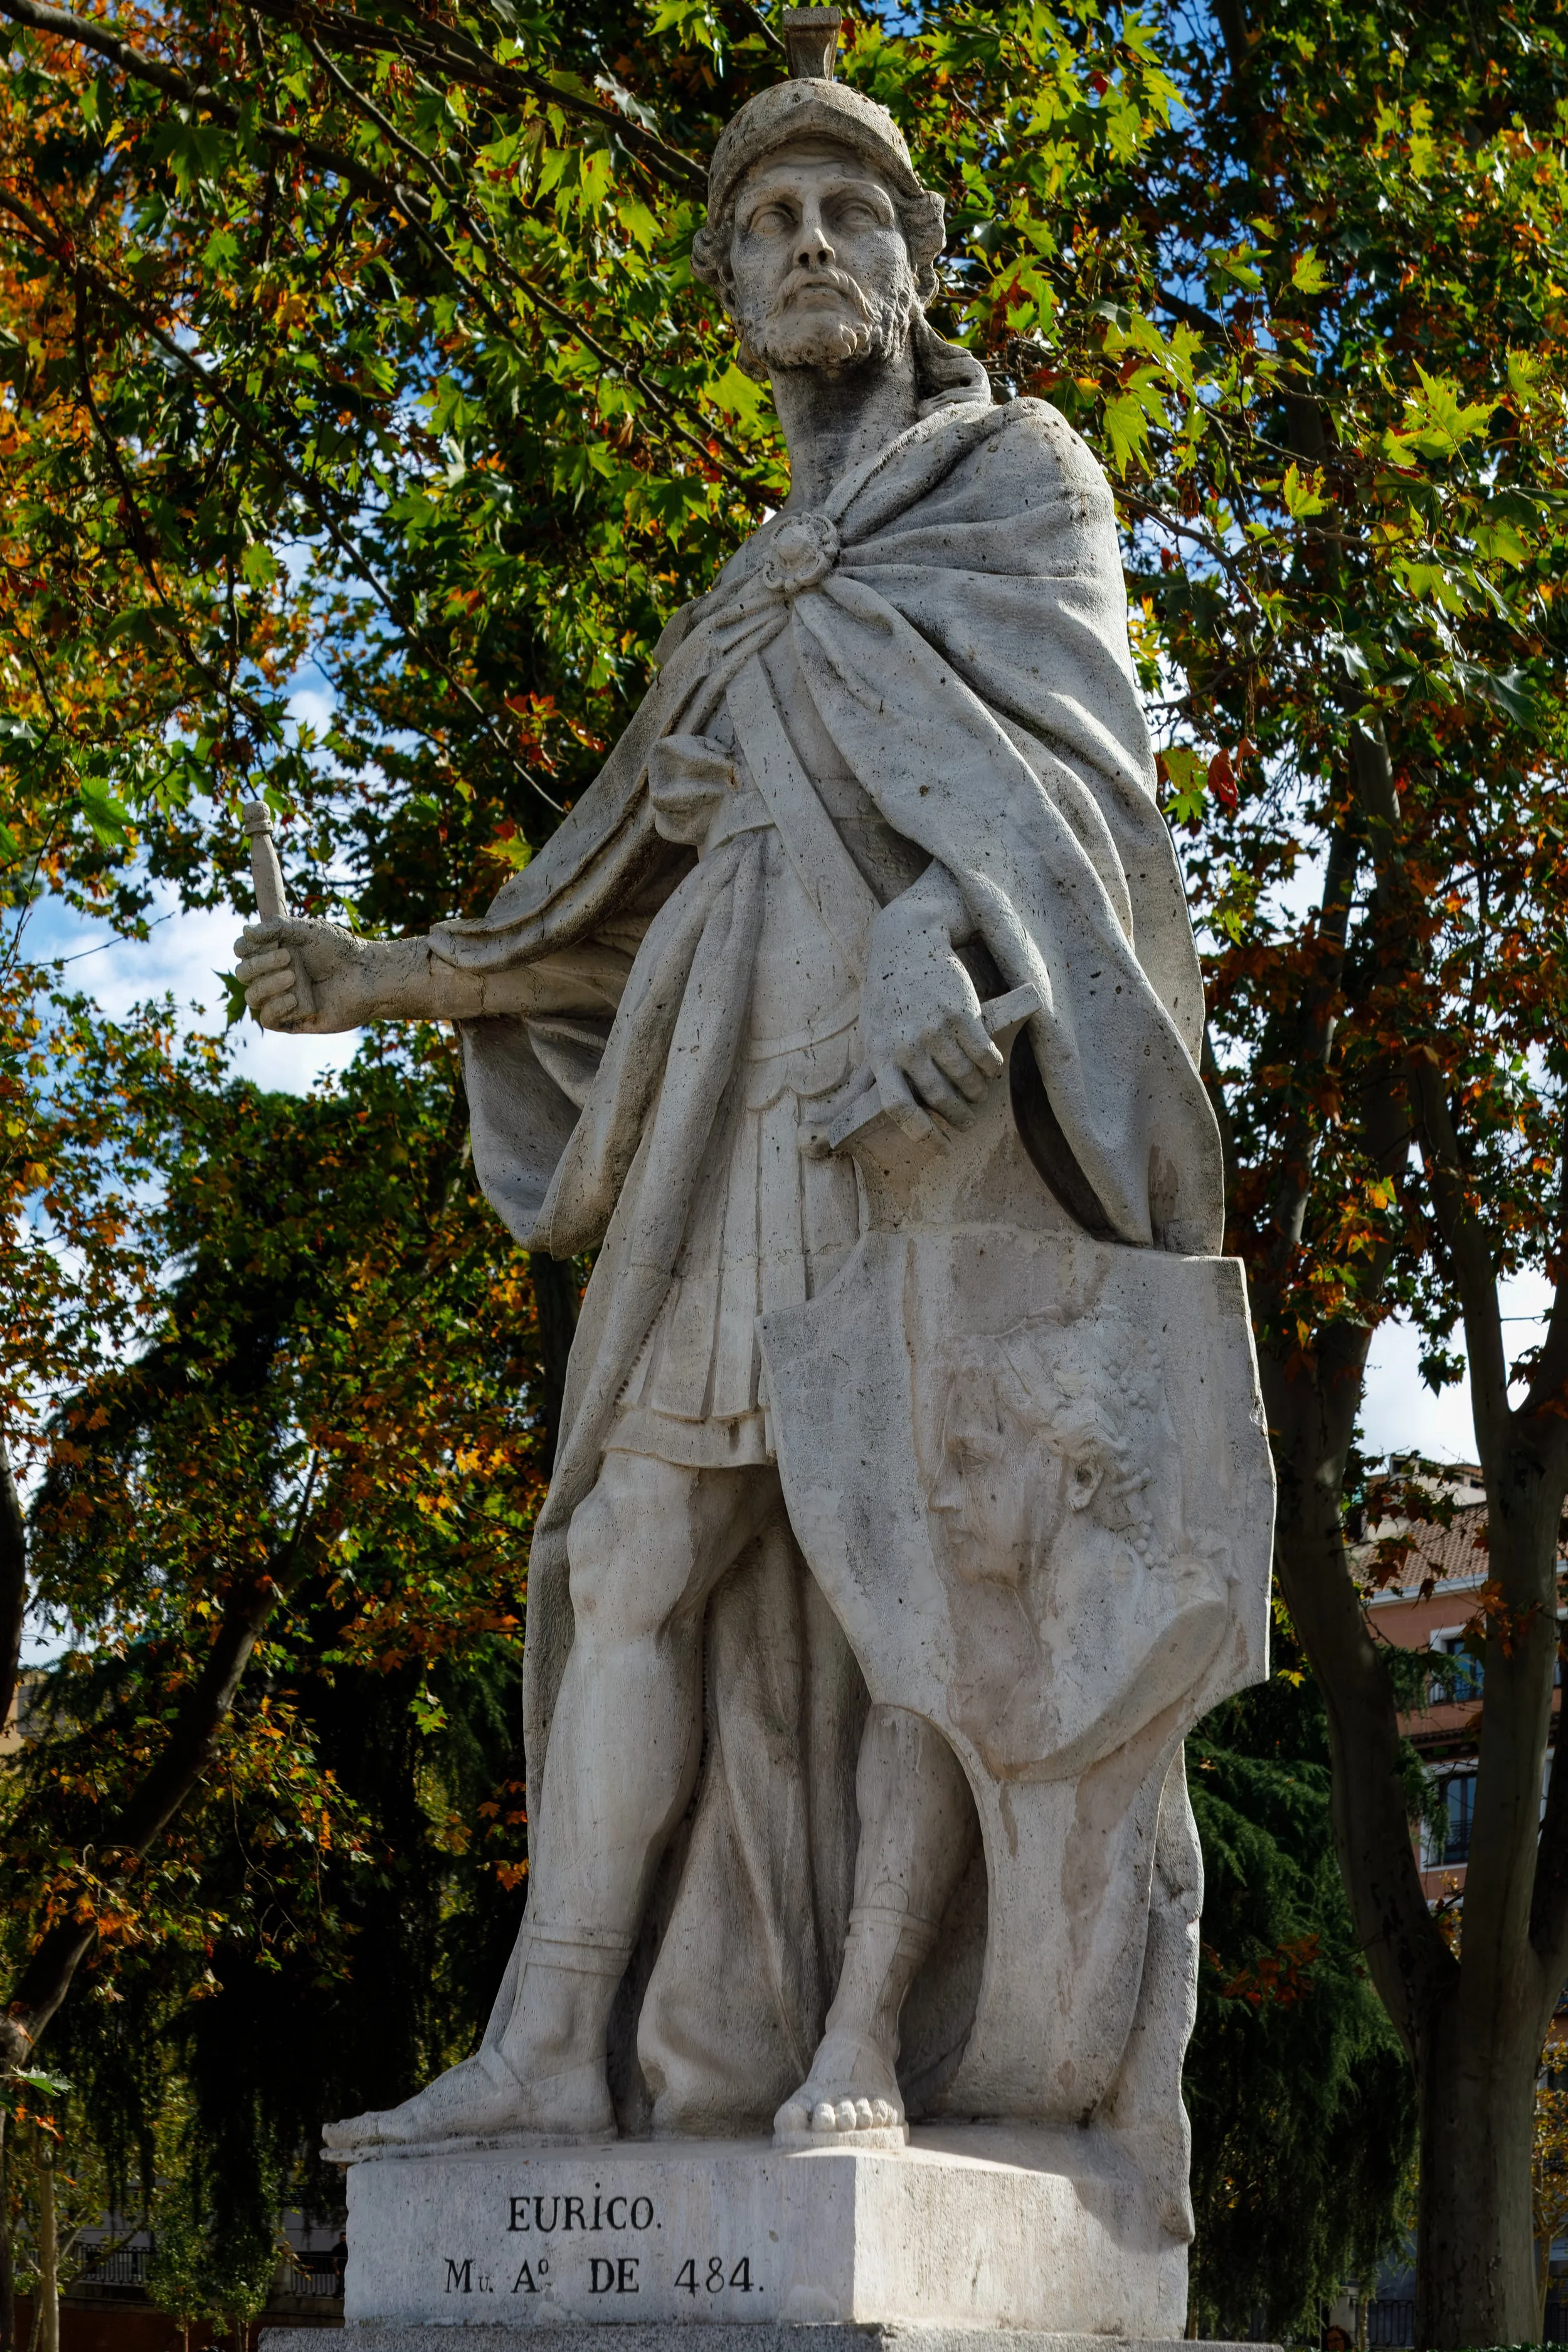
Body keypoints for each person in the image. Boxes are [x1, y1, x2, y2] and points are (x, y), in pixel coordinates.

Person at [238, 33, 1222, 2152]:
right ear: (725, 285)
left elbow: (1073, 822)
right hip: (730, 1135)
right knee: (628, 1558)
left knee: (904, 1584)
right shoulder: (729, 607)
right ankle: (551, 2049)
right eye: (765, 220)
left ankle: (865, 2029)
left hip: (934, 1127)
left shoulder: (1017, 478)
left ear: (915, 255)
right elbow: (603, 916)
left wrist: (951, 949)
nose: (804, 243)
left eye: (843, 212)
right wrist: (380, 980)